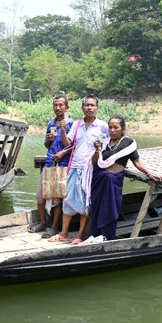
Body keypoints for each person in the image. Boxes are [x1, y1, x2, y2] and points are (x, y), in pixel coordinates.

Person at [86, 115, 162, 242]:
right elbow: (95, 162)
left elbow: (136, 161)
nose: (112, 130)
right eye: (110, 127)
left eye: (116, 127)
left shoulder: (128, 143)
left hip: (113, 182)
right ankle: (95, 235)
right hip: (99, 180)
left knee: (110, 208)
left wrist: (149, 172)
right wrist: (97, 150)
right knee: (97, 207)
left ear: (122, 129)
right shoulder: (104, 142)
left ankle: (107, 237)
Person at [48, 94, 109, 244]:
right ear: (82, 108)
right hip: (74, 166)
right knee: (68, 200)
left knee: (85, 202)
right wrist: (62, 130)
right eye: (86, 105)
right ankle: (64, 233)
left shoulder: (102, 126)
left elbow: (107, 147)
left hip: (90, 169)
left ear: (97, 108)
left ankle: (80, 236)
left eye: (92, 105)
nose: (89, 108)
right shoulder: (76, 124)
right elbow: (68, 142)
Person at [28, 94, 73, 237]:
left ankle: (53, 227)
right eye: (55, 105)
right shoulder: (51, 123)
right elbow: (47, 146)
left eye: (61, 105)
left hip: (63, 165)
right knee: (40, 196)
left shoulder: (72, 123)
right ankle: (43, 222)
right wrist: (48, 140)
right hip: (49, 163)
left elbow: (74, 146)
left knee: (58, 199)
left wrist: (63, 153)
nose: (58, 108)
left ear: (67, 107)